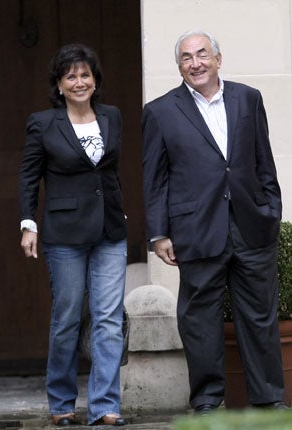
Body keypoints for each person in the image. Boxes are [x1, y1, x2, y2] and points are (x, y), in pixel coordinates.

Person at [142, 29, 288, 414]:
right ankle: (207, 402)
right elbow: (154, 179)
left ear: (218, 59)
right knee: (200, 320)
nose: (196, 63)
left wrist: (271, 209)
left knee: (259, 316)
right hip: (196, 229)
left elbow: (263, 160)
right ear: (179, 67)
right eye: (187, 58)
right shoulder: (160, 111)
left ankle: (270, 399)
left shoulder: (248, 99)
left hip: (251, 225)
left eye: (202, 54)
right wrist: (159, 234)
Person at [19, 43, 128, 427]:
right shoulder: (44, 123)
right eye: (71, 76)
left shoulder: (112, 116)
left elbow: (110, 173)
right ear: (60, 84)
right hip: (64, 234)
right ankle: (61, 402)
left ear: (95, 81)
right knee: (66, 317)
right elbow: (29, 176)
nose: (79, 82)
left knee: (109, 319)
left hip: (110, 231)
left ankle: (105, 407)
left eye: (85, 75)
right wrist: (27, 223)